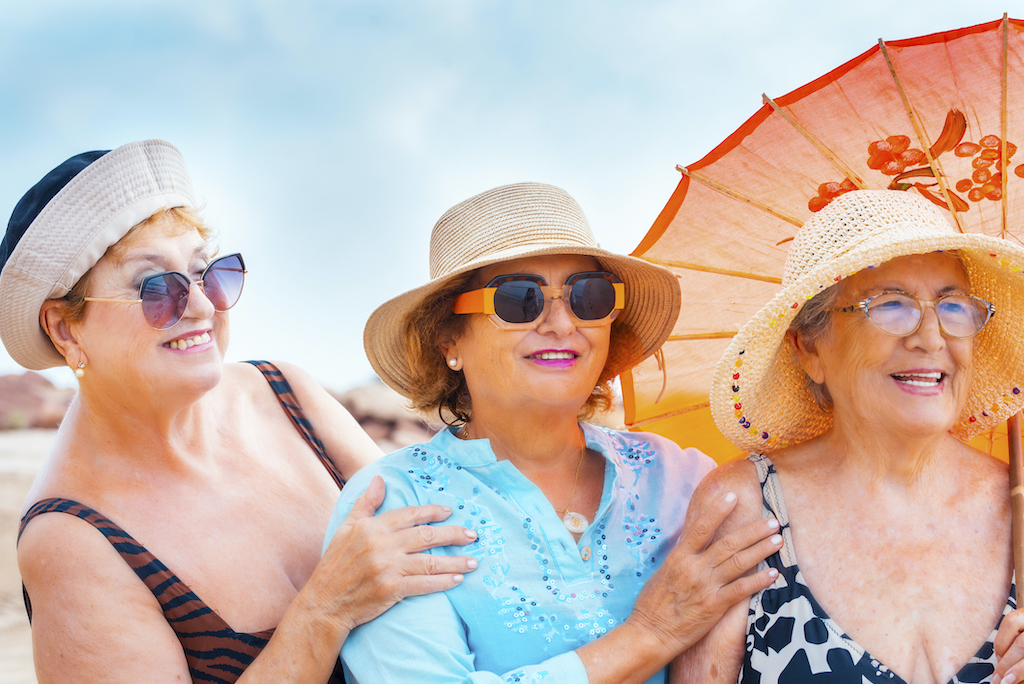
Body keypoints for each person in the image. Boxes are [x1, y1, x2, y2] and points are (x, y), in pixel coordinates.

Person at [3, 140, 481, 683]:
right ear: (65, 329)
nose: (204, 307)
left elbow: (441, 544)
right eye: (155, 288)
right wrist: (324, 610)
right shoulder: (71, 540)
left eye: (207, 273)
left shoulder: (286, 393)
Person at [325, 181, 784, 683]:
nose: (563, 323)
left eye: (590, 296)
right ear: (447, 339)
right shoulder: (393, 503)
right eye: (519, 300)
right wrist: (653, 631)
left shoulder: (687, 478)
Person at [674, 189, 1024, 683]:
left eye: (953, 307)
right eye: (891, 305)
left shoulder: (1021, 509)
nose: (930, 337)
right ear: (808, 348)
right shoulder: (746, 508)